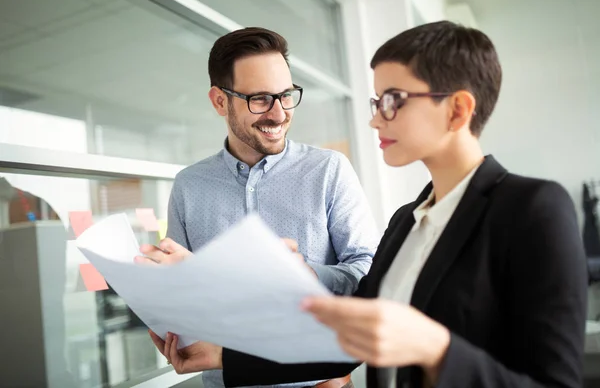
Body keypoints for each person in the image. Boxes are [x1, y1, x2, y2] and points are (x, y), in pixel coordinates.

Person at [144, 21, 588, 388]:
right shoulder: (405, 223)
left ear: (456, 111)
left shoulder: (533, 208)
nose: (375, 117)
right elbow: (344, 346)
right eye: (377, 101)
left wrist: (434, 348)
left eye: (392, 100)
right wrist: (222, 354)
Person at [136, 27, 379, 388]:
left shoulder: (329, 170)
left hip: (318, 383)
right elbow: (181, 295)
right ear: (220, 101)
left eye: (286, 95)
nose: (279, 114)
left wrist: (306, 275)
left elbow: (368, 271)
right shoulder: (189, 185)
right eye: (261, 99)